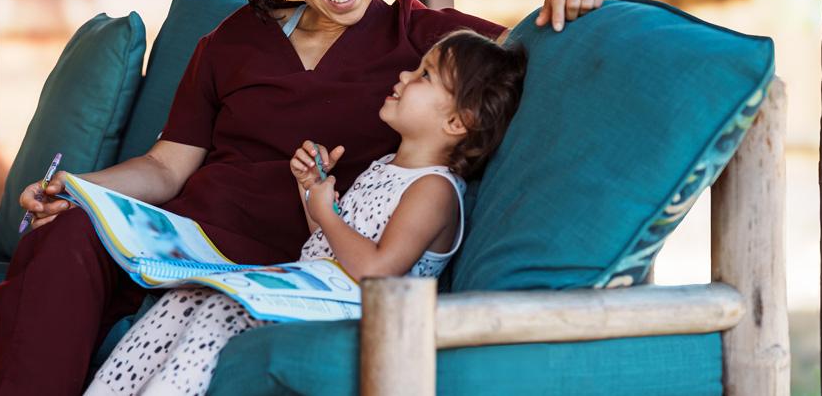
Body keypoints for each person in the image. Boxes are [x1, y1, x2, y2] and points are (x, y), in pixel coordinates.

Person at [0, 0, 614, 392]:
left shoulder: (424, 39)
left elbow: (524, 55)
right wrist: (80, 188)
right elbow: (167, 166)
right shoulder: (230, 39)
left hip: (297, 256)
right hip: (186, 236)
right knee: (62, 232)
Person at [85, 30, 526, 395]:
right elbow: (327, 244)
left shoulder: (433, 189)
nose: (405, 75)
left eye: (425, 75)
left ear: (457, 122)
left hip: (356, 314)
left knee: (220, 313)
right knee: (184, 297)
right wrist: (312, 191)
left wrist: (326, 214)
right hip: (317, 292)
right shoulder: (387, 166)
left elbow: (378, 271)